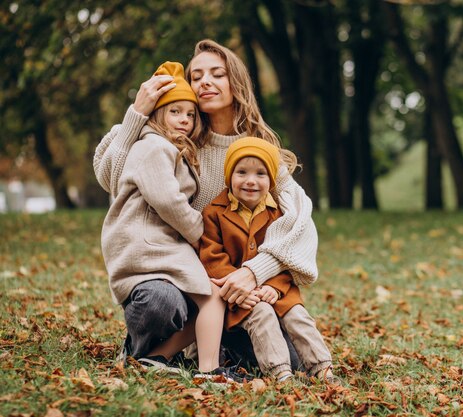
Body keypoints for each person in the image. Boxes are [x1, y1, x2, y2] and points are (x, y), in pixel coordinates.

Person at [93, 39, 318, 372]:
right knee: (160, 303)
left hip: (242, 289)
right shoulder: (173, 135)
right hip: (183, 279)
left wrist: (252, 273)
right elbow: (110, 176)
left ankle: (210, 352)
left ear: (236, 83)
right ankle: (146, 348)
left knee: (292, 363)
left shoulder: (257, 150)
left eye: (217, 74)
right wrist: (136, 113)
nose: (205, 83)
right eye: (196, 76)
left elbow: (301, 221)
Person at [100, 61, 241, 380]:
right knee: (203, 297)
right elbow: (168, 200)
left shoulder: (171, 147)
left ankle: (156, 357)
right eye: (175, 112)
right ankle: (206, 369)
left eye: (190, 114)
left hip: (167, 249)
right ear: (157, 114)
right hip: (149, 250)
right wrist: (199, 233)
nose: (185, 120)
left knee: (214, 297)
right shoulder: (152, 147)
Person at [199, 137, 337, 383]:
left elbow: (286, 257)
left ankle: (322, 368)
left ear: (271, 180)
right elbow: (212, 258)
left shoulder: (281, 214)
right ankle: (279, 372)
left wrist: (275, 286)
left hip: (278, 290)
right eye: (241, 172)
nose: (251, 181)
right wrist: (240, 288)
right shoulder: (214, 213)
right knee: (261, 314)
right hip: (240, 296)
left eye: (260, 174)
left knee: (298, 316)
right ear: (229, 176)